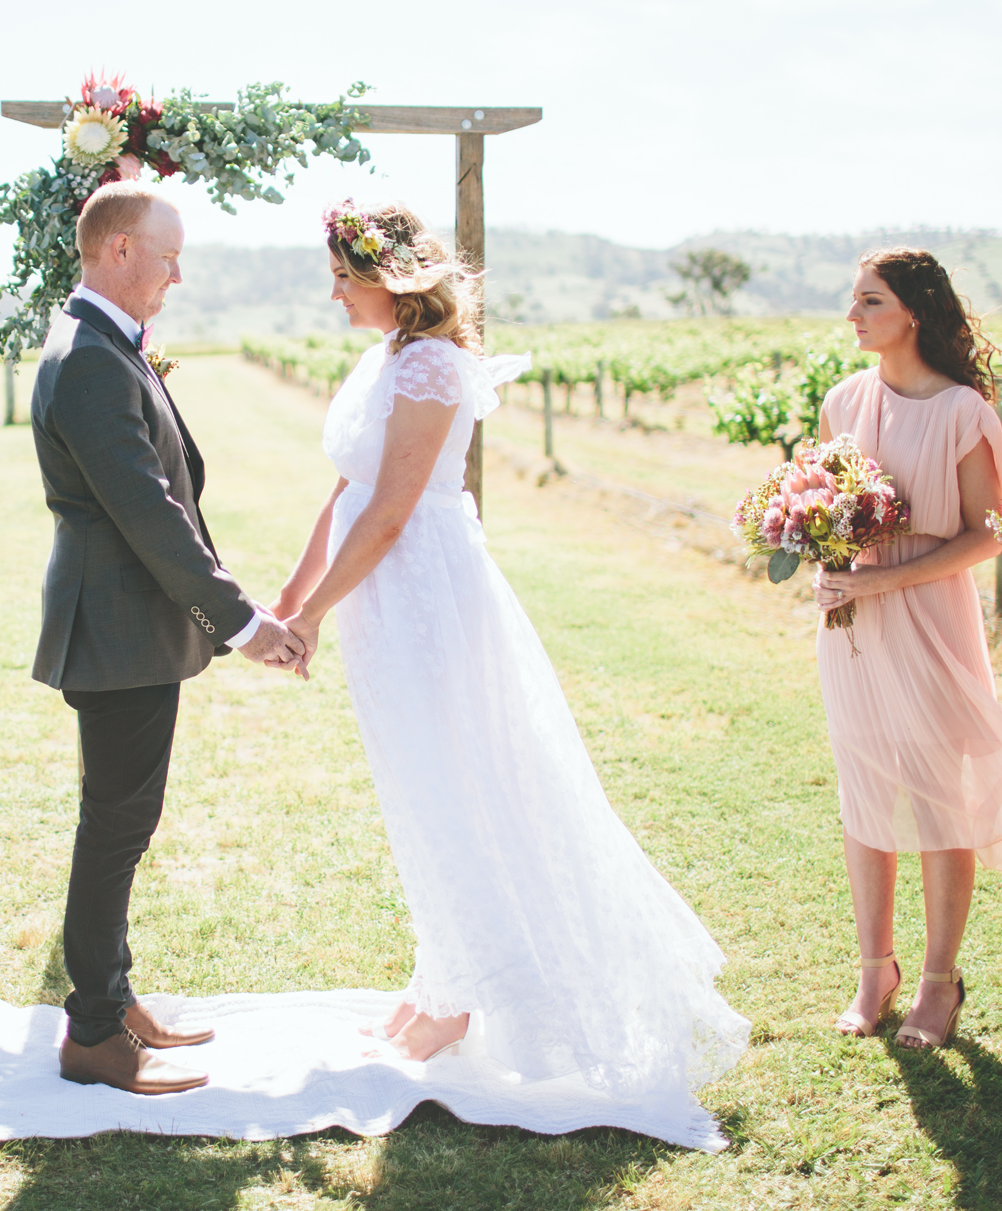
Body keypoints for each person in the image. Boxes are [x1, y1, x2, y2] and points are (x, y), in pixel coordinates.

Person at [272, 200, 747, 1145]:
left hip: (426, 594)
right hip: (384, 596)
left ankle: (467, 993)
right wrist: (291, 599)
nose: (332, 294)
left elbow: (395, 509)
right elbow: (346, 489)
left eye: (341, 275)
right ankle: (445, 971)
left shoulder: (436, 364)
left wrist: (317, 611)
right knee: (420, 788)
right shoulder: (384, 360)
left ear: (388, 276)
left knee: (460, 781)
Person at [29, 181, 305, 1096]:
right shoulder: (91, 358)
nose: (178, 274)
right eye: (168, 253)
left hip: (128, 626)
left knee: (124, 821)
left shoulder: (104, 343)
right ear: (116, 250)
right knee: (114, 827)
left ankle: (112, 993)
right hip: (116, 627)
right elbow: (149, 513)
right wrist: (243, 621)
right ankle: (95, 1033)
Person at [809, 250, 1002, 1049]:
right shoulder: (841, 401)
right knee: (863, 785)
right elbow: (817, 501)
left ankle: (939, 980)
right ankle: (876, 969)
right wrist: (822, 552)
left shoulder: (964, 411)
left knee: (941, 796)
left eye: (870, 299)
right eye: (854, 299)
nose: (854, 313)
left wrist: (884, 583)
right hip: (853, 626)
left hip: (931, 615)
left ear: (913, 312)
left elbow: (989, 532)